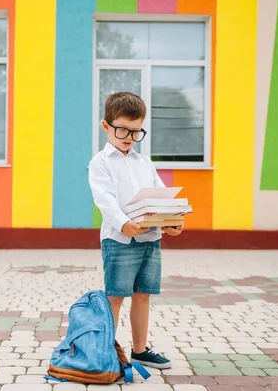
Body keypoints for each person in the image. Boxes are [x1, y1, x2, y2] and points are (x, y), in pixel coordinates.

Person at [88, 92, 184, 369]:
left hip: (150, 238)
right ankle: (106, 353)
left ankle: (140, 350)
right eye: (122, 130)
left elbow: (159, 197)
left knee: (143, 294)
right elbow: (104, 199)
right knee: (116, 296)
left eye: (135, 131)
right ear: (106, 126)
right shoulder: (101, 163)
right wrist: (123, 223)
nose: (129, 137)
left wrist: (171, 221)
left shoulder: (145, 162)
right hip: (120, 240)